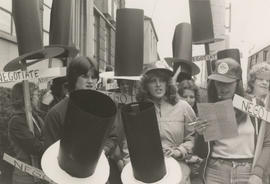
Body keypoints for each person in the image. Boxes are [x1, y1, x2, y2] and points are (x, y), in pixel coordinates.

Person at [42, 57, 119, 182]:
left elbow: (113, 137)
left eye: (93, 77)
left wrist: (103, 150)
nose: (90, 81)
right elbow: (50, 151)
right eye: (84, 76)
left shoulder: (105, 108)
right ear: (73, 78)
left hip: (96, 175)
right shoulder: (56, 113)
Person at [124, 60, 196, 184]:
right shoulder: (137, 110)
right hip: (148, 176)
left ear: (168, 83)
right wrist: (133, 171)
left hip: (179, 172)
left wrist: (179, 151)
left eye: (162, 80)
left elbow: (194, 137)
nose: (158, 85)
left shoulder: (183, 107)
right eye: (153, 81)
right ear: (145, 85)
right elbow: (128, 146)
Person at [201, 57, 259, 184]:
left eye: (227, 83)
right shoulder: (210, 106)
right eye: (218, 82)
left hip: (247, 172)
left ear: (237, 83)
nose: (222, 87)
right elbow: (200, 151)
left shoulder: (253, 105)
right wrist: (200, 134)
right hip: (215, 171)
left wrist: (258, 173)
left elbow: (267, 141)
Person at [8, 82, 45, 184]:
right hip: (26, 176)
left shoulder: (35, 117)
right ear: (26, 98)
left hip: (39, 173)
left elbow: (45, 133)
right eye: (36, 95)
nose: (38, 98)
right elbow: (34, 147)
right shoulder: (17, 121)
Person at [246, 62, 270, 184]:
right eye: (261, 79)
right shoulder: (243, 101)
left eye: (268, 80)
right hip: (249, 159)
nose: (265, 83)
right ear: (252, 81)